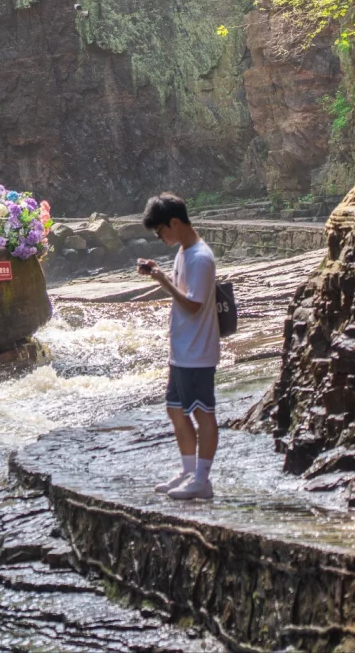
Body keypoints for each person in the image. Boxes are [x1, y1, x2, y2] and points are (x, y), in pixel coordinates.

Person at [138, 192, 220, 501]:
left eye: (160, 231)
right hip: (182, 351)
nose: (160, 238)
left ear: (174, 223)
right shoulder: (184, 253)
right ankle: (188, 471)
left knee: (203, 413)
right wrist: (161, 275)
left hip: (198, 352)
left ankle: (202, 479)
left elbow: (194, 305)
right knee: (175, 409)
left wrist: (163, 281)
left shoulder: (200, 257)